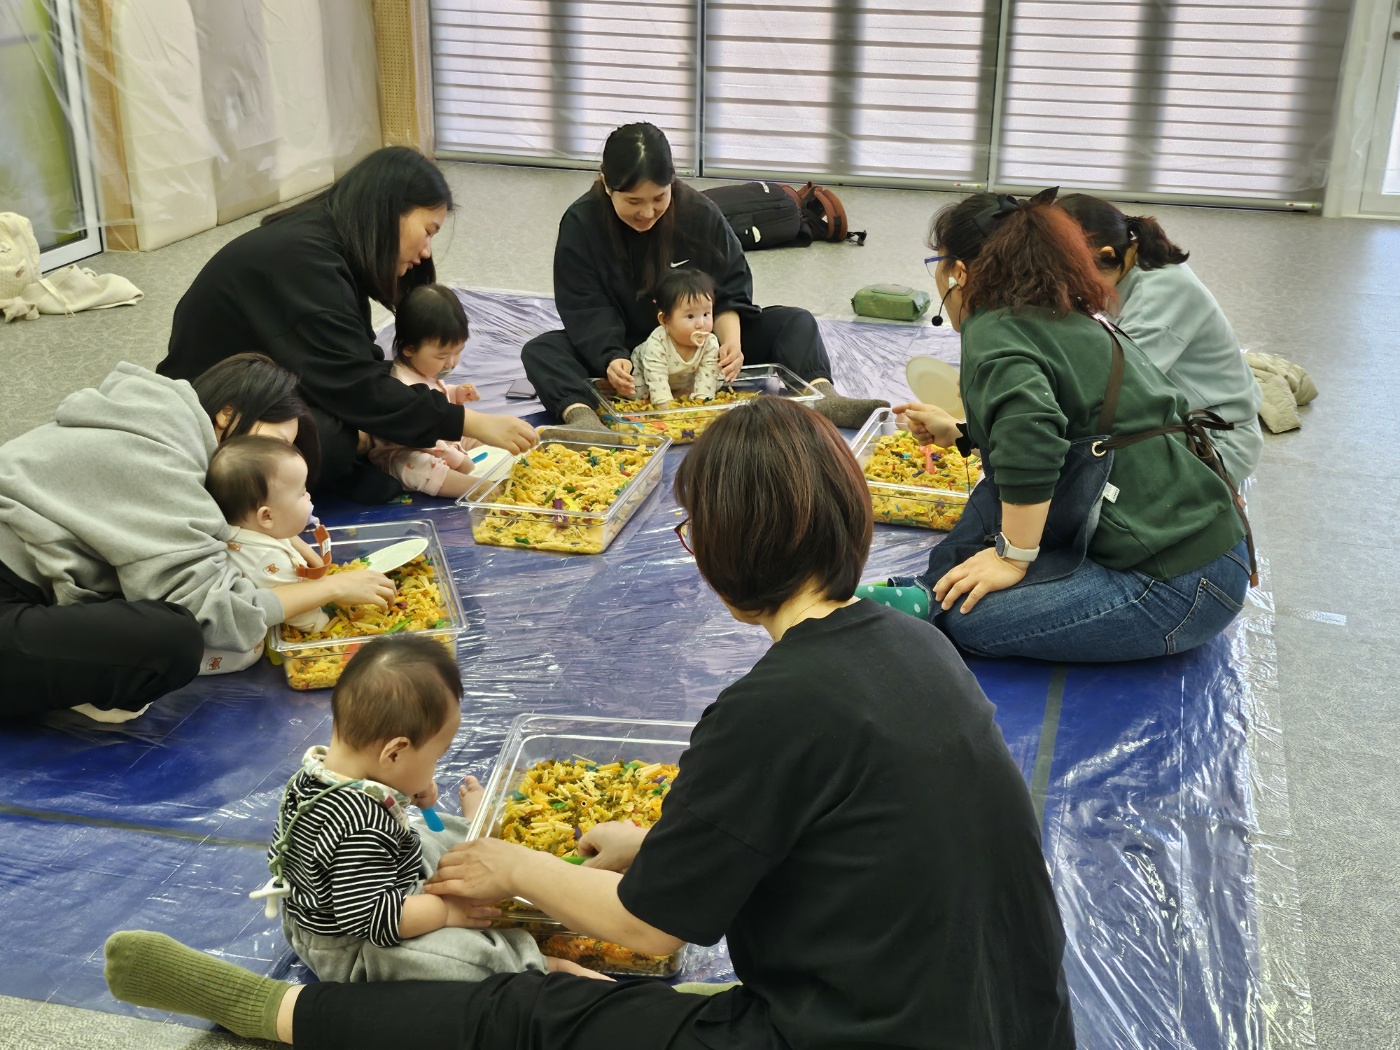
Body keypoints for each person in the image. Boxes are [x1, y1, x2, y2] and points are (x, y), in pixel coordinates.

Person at [103, 398, 1076, 1049]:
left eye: (694, 533)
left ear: (724, 559)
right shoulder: (916, 647)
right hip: (1014, 1020)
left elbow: (646, 930)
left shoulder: (768, 708)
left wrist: (510, 867)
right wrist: (658, 841)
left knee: (533, 1009)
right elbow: (833, 832)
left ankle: (273, 1012)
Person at [865, 190, 1251, 663]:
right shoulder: (1062, 315)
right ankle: (932, 590)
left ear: (960, 272)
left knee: (969, 618)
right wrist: (962, 433)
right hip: (1190, 540)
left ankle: (935, 600)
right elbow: (1061, 426)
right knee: (993, 499)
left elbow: (1032, 441)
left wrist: (1012, 557)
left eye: (938, 265)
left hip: (1181, 585)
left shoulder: (993, 330)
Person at [0, 354, 395, 722]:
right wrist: (333, 587)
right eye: (272, 445)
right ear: (228, 415)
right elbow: (211, 613)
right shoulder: (160, 458)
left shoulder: (157, 420)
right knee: (171, 641)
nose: (273, 463)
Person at [157, 146, 536, 503]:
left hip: (263, 383)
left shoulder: (322, 244)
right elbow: (356, 386)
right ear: (391, 212)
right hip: (209, 411)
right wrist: (471, 422)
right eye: (429, 231)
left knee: (389, 401)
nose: (425, 253)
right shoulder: (305, 261)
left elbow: (348, 366)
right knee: (333, 441)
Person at [258, 634, 599, 983]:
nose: (435, 768)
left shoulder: (318, 775)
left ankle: (475, 831)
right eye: (435, 758)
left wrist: (406, 785)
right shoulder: (359, 829)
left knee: (428, 837)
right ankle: (533, 966)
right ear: (394, 753)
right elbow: (375, 921)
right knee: (451, 956)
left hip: (380, 889)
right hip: (356, 944)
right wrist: (445, 911)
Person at [521, 122, 885, 432]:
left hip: (700, 343)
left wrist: (730, 344)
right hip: (630, 350)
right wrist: (612, 359)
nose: (648, 213)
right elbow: (585, 306)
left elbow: (730, 285)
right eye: (633, 202)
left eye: (659, 198)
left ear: (672, 183)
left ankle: (822, 397)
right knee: (542, 352)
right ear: (604, 183)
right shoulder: (582, 223)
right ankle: (584, 420)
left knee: (795, 322)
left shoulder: (698, 212)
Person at [1058, 193, 1263, 483]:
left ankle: (1216, 501)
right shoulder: (1131, 264)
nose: (1071, 291)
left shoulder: (1157, 297)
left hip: (1214, 442)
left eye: (1073, 280)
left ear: (1106, 255)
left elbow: (1110, 394)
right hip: (1179, 418)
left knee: (1076, 485)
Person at [365, 284, 486, 499]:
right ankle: (476, 487)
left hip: (441, 440)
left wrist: (455, 393)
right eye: (442, 356)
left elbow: (436, 397)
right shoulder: (401, 384)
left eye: (458, 352)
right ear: (409, 348)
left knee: (479, 434)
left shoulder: (423, 369)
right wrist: (460, 460)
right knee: (420, 467)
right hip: (409, 449)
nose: (451, 363)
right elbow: (424, 435)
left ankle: (506, 460)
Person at [206, 436, 330, 636]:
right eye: (301, 493)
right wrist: (324, 623)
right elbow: (296, 610)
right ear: (266, 516)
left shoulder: (252, 530)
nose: (309, 497)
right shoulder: (268, 558)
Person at [629, 268, 721, 406]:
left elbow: (707, 380)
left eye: (706, 314)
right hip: (646, 375)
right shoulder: (657, 342)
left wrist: (702, 404)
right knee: (635, 391)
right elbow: (656, 376)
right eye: (690, 316)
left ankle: (680, 393)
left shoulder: (710, 342)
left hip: (685, 379)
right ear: (665, 320)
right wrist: (666, 407)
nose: (701, 324)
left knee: (717, 379)